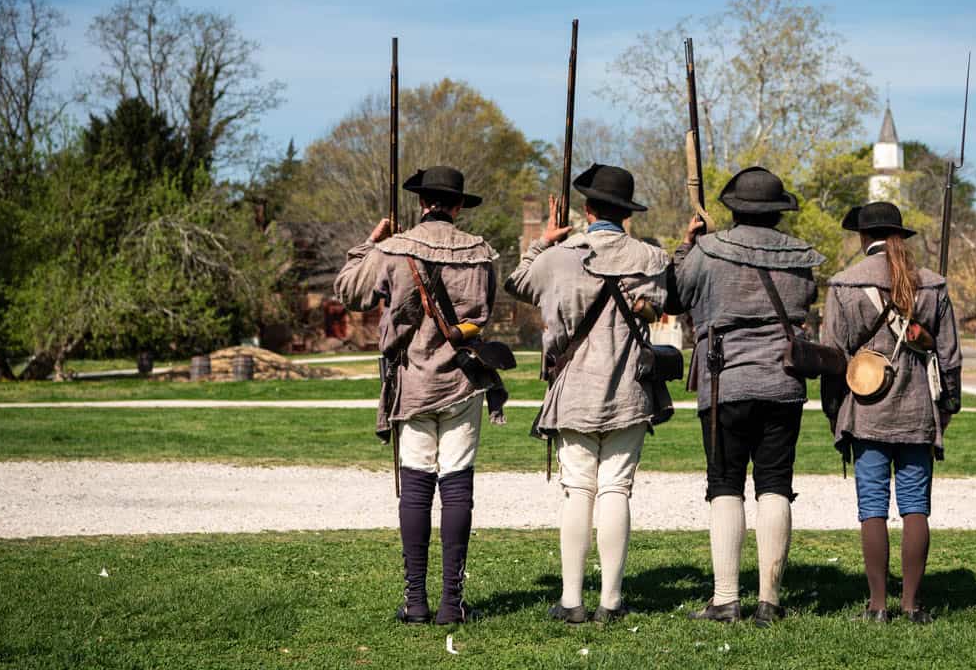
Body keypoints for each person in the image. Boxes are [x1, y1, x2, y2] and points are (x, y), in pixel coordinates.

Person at [334, 166, 501, 625]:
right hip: (464, 382)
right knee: (457, 486)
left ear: (421, 203)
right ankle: (451, 603)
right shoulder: (483, 254)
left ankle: (416, 601)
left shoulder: (393, 250)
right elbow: (486, 312)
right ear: (459, 205)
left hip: (412, 383)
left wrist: (370, 244)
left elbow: (349, 291)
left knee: (416, 489)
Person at [505, 164, 671, 625]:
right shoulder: (651, 258)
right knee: (617, 488)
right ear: (626, 213)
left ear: (586, 208)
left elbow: (516, 282)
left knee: (578, 489)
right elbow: (663, 301)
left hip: (573, 386)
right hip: (628, 389)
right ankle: (611, 601)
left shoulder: (556, 258)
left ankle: (572, 599)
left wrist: (543, 241)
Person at [670, 167, 824, 627]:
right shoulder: (801, 256)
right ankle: (769, 601)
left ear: (734, 207)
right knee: (775, 484)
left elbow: (675, 295)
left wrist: (689, 243)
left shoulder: (707, 251)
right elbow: (806, 300)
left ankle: (726, 598)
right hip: (783, 381)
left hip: (726, 382)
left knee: (725, 485)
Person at [821, 202, 962, 624]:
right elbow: (949, 357)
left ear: (864, 238)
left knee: (873, 507)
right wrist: (947, 406)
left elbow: (833, 359)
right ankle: (913, 605)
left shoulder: (844, 284)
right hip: (918, 410)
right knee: (916, 506)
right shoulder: (933, 285)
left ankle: (878, 605)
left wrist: (836, 413)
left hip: (866, 413)